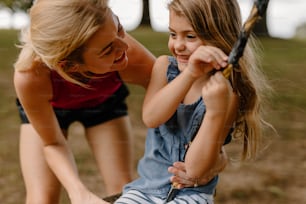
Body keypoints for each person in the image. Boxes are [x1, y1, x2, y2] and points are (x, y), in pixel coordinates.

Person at [13, 0, 229, 204]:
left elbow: (183, 108)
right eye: (108, 49)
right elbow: (53, 143)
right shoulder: (30, 76)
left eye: (118, 27)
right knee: (41, 198)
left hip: (105, 103)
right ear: (70, 66)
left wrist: (216, 158)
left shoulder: (128, 53)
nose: (124, 46)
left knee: (121, 188)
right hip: (52, 109)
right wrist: (79, 193)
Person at [115, 0, 272, 203]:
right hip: (145, 189)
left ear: (218, 37)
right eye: (173, 34)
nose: (178, 45)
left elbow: (195, 169)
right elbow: (151, 117)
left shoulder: (226, 95)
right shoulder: (164, 67)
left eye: (190, 36)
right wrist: (190, 73)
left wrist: (215, 112)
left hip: (192, 195)